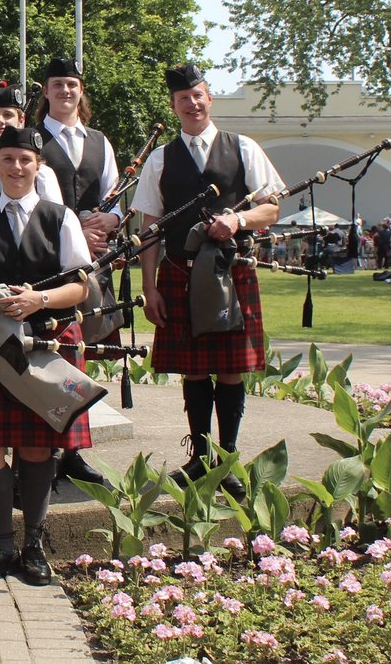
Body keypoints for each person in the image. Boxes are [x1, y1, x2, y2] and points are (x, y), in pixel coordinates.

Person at [0, 125, 92, 585]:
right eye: (7, 159)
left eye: (25, 160)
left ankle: (33, 546)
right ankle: (1, 546)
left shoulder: (60, 217)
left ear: (38, 166)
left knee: (36, 445)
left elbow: (81, 285)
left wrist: (39, 301)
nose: (15, 167)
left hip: (45, 346)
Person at [132, 64, 282, 496]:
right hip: (177, 272)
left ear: (209, 99)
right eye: (183, 99)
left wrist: (238, 219)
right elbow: (151, 226)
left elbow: (272, 208)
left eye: (198, 96)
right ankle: (199, 458)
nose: (192, 104)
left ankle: (227, 458)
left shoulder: (243, 148)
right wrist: (149, 287)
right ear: (174, 105)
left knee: (232, 369)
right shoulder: (160, 159)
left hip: (231, 272)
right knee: (194, 373)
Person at [31, 58, 125, 488]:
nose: (65, 91)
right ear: (46, 92)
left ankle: (73, 452)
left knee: (79, 359)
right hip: (46, 264)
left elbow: (113, 199)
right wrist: (74, 231)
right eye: (57, 85)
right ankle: (44, 451)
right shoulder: (33, 140)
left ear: (80, 92)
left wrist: (107, 223)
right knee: (50, 357)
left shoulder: (100, 141)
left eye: (72, 85)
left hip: (92, 266)